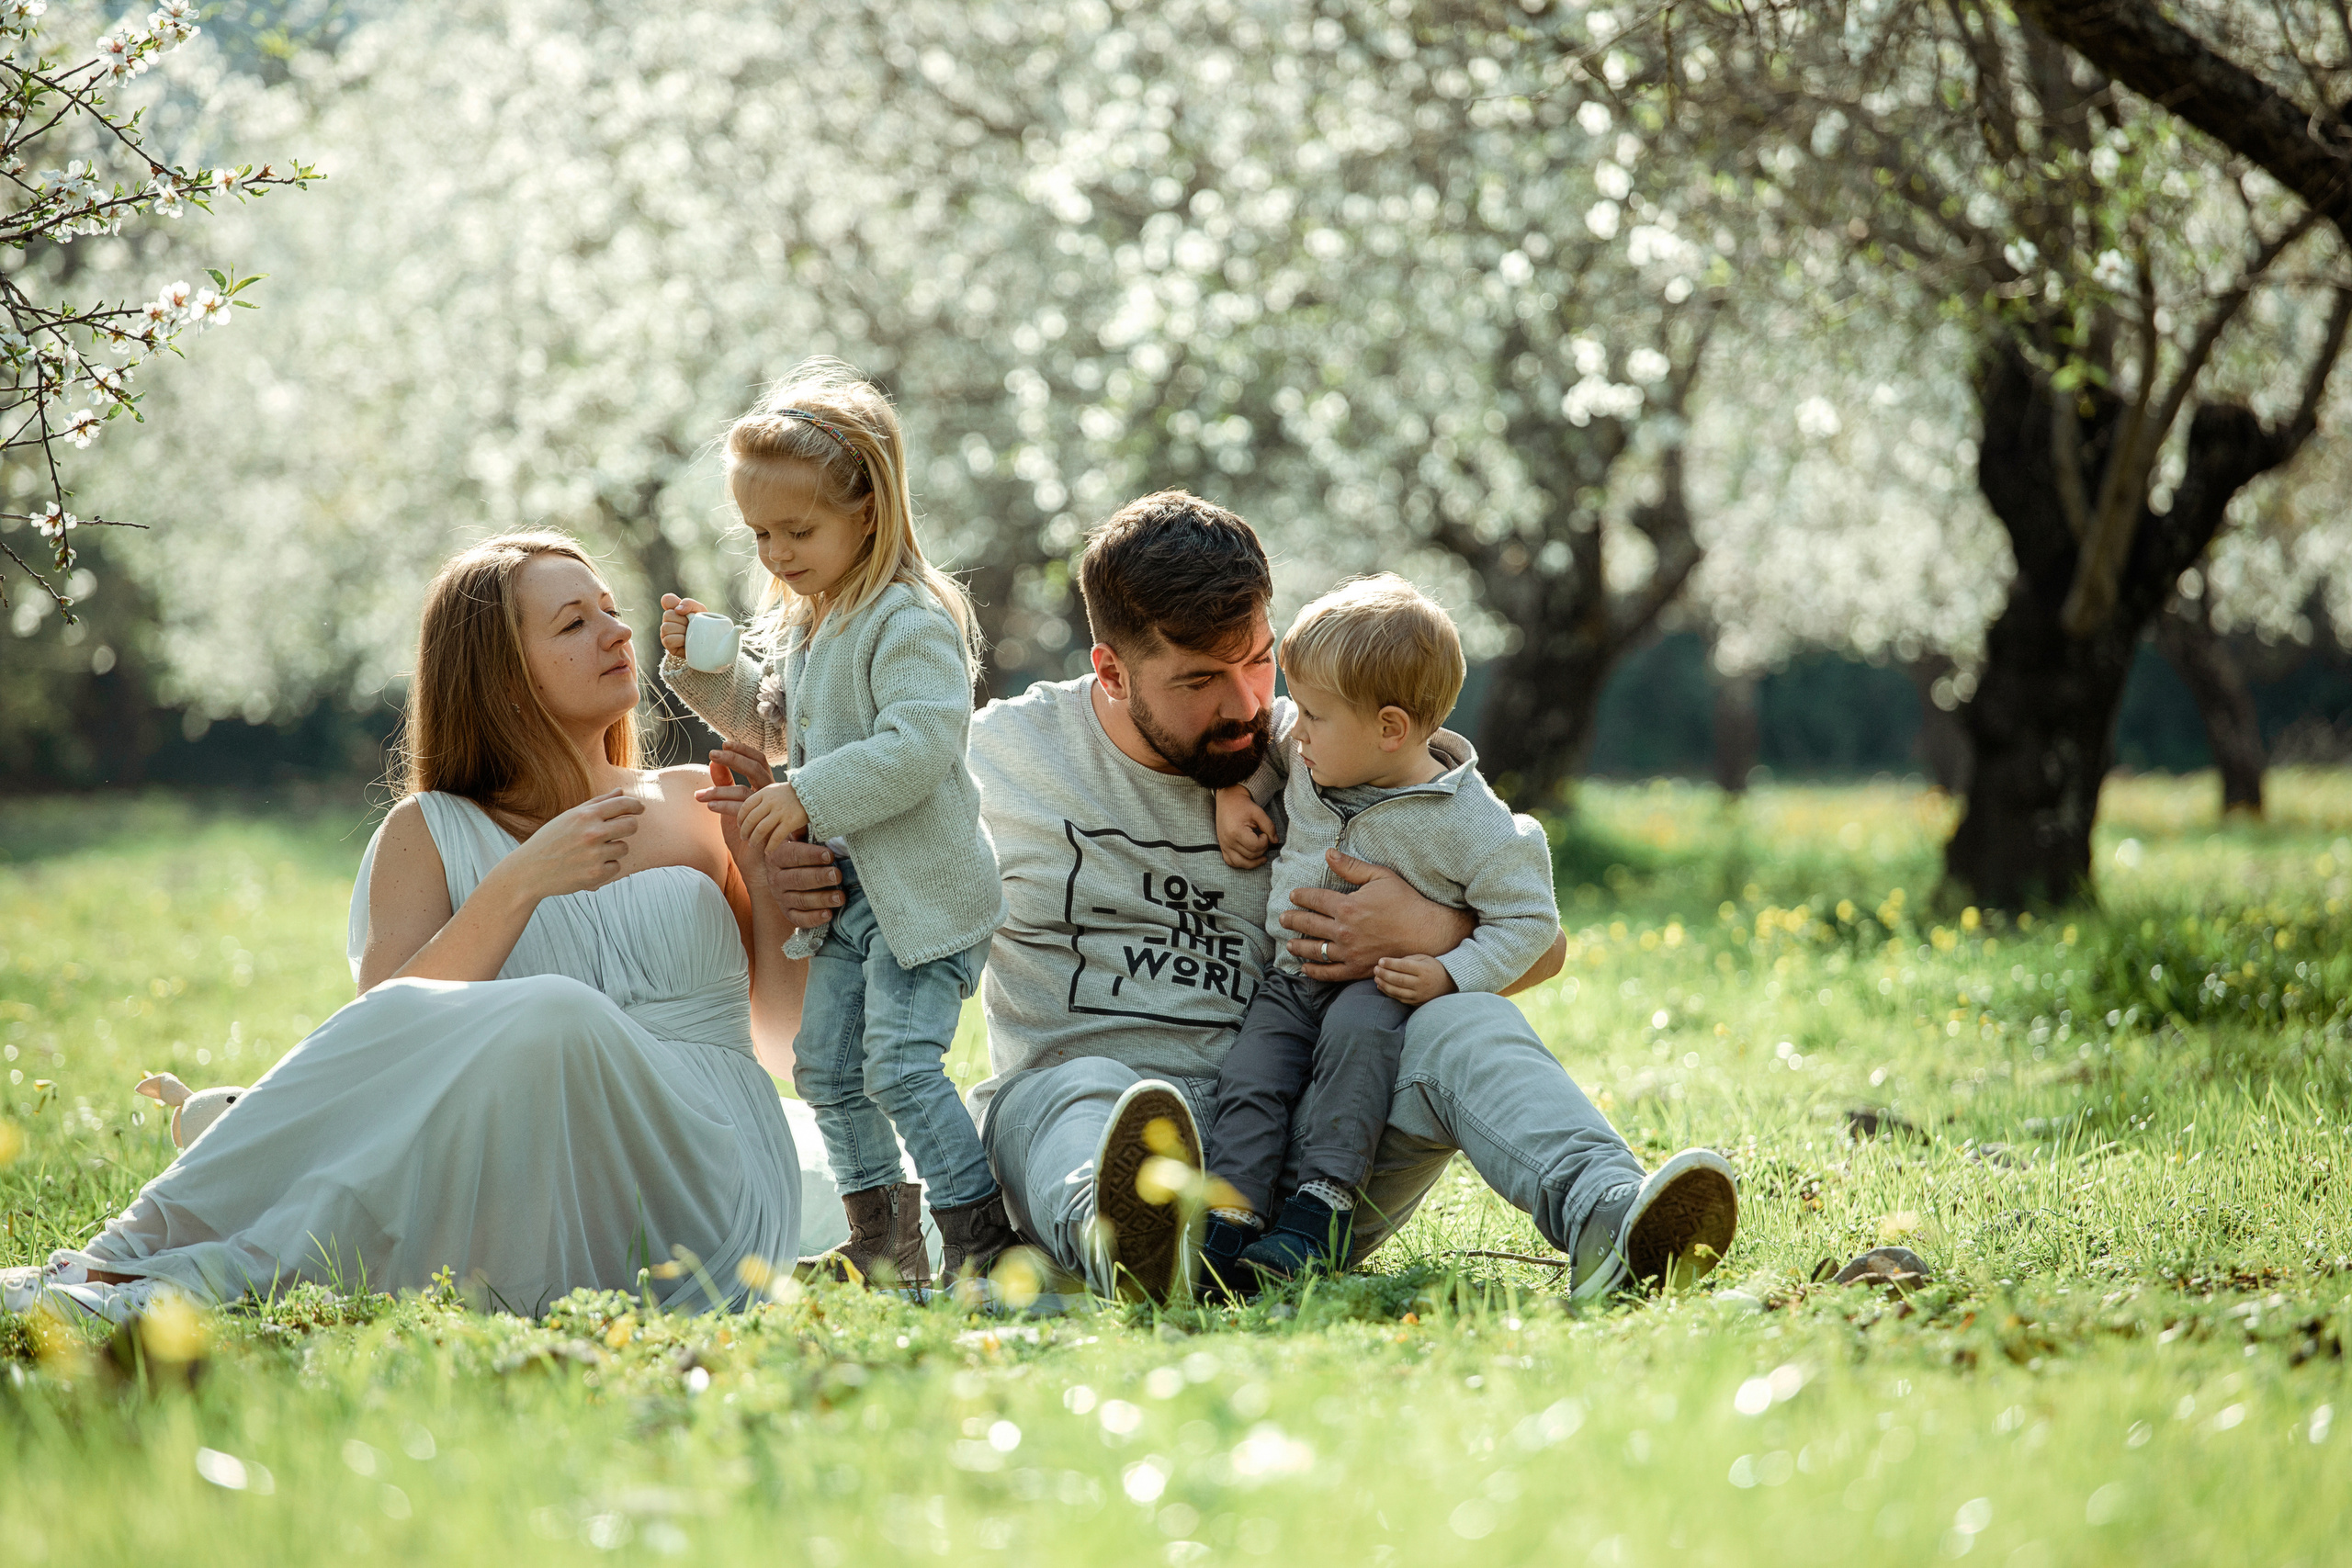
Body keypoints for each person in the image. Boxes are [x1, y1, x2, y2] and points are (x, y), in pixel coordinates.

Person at [756, 491, 1738, 1303]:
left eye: (1257, 660)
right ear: (1109, 669)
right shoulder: (998, 759)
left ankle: (1615, 1220)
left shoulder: (1323, 747)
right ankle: (1142, 1250)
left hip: (1309, 1154)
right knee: (1081, 1096)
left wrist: (1431, 932)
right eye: (1196, 680)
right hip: (1078, 1105)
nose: (1243, 701)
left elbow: (1541, 940)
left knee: (1462, 1022)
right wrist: (807, 871)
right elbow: (847, 842)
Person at [1, 534, 806, 1324]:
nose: (618, 631)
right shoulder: (428, 832)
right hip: (532, 1190)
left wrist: (767, 878)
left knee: (558, 1011)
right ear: (502, 677)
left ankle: (173, 1263)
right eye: (572, 623)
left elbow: (788, 1046)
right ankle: (129, 1264)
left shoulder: (702, 800)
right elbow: (383, 1054)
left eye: (609, 609)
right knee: (534, 1030)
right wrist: (521, 881)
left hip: (715, 1186)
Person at [660, 359, 1014, 1294]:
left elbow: (920, 745)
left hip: (922, 903)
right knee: (824, 1067)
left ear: (869, 509)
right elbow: (774, 728)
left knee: (899, 1066)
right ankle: (879, 1239)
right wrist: (706, 672)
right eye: (760, 534)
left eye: (797, 529)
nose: (775, 553)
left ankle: (983, 1244)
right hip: (853, 904)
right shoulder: (814, 625)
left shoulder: (906, 622)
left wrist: (810, 796)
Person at [1198, 573, 1561, 1291]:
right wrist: (1231, 791)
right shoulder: (1311, 749)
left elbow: (1531, 922)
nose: (1293, 726)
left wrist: (1451, 971)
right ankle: (1229, 1218)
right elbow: (1255, 742)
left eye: (1312, 714)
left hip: (1377, 986)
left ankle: (1318, 1212)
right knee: (1251, 1074)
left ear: (1390, 728)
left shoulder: (1471, 822)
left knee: (1354, 1059)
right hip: (1292, 979)